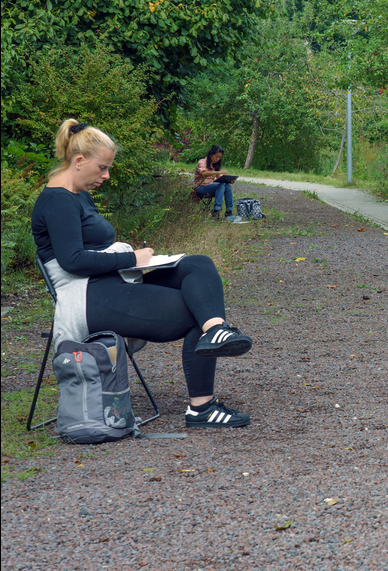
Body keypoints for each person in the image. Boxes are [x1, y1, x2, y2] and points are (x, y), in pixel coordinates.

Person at [31, 119, 255, 427]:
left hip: (109, 282)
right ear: (79, 161)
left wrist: (134, 261)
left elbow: (89, 251)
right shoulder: (58, 200)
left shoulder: (77, 193)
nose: (106, 175)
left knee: (198, 265)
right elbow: (73, 261)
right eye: (102, 168)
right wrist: (129, 256)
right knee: (194, 312)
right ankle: (201, 408)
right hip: (87, 297)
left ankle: (217, 329)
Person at [194, 144, 234, 221]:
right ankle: (216, 210)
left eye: (219, 157)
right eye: (216, 156)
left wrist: (229, 180)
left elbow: (220, 178)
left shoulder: (215, 166)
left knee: (227, 185)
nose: (217, 159)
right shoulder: (202, 162)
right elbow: (204, 173)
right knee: (221, 185)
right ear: (211, 154)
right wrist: (218, 171)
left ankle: (229, 211)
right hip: (200, 189)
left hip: (212, 188)